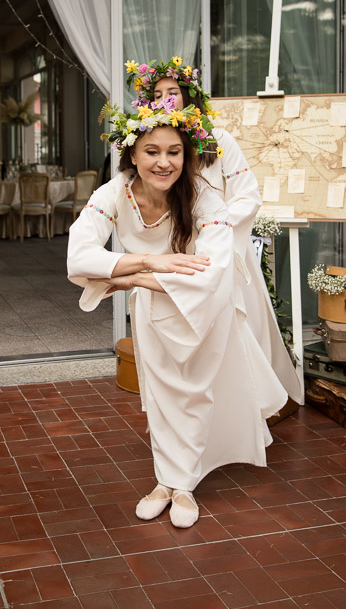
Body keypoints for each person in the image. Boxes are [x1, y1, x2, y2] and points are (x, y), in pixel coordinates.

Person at [68, 94, 287, 528]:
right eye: (152, 151)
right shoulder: (114, 193)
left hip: (205, 310)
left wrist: (125, 277)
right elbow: (78, 256)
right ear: (131, 153)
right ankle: (165, 481)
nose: (163, 162)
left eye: (174, 152)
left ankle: (183, 486)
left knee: (195, 394)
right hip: (154, 308)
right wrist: (150, 263)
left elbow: (210, 270)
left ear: (188, 155)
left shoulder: (204, 195)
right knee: (162, 398)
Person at [135, 57, 303, 404]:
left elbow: (249, 195)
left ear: (188, 98)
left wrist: (216, 226)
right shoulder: (150, 148)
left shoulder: (219, 140)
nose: (164, 99)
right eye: (157, 94)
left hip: (222, 254)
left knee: (231, 336)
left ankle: (240, 409)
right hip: (176, 257)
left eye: (173, 92)